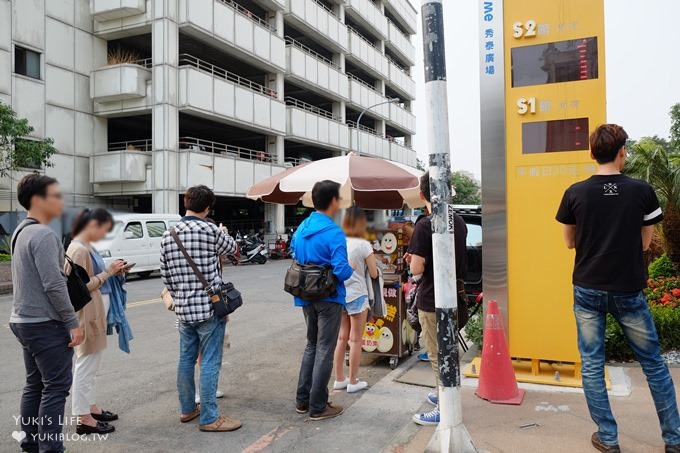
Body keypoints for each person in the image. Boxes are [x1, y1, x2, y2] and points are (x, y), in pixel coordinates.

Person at [556, 124, 680, 453]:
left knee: (593, 363)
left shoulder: (575, 192)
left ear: (591, 153)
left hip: (587, 288)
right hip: (628, 288)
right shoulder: (641, 191)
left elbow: (569, 242)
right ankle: (674, 439)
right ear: (622, 150)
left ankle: (608, 439)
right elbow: (644, 243)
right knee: (653, 362)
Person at [9, 175, 83, 453]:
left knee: (35, 384)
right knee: (55, 388)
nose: (60, 201)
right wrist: (72, 323)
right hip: (44, 323)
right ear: (38, 200)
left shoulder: (21, 231)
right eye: (55, 195)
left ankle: (31, 440)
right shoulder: (43, 234)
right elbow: (53, 284)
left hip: (23, 321)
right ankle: (50, 448)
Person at [160, 185, 240, 432]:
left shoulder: (168, 234)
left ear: (186, 203)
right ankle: (209, 417)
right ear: (208, 207)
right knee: (210, 362)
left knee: (185, 360)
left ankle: (187, 409)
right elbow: (234, 249)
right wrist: (222, 232)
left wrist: (181, 297)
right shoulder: (210, 230)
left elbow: (166, 277)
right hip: (210, 308)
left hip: (184, 310)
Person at [407, 171, 467, 426]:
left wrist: (413, 260)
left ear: (422, 195)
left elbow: (417, 269)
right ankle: (447, 394)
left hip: (433, 300)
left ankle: (445, 407)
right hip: (457, 297)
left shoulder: (425, 225)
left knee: (436, 355)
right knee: (449, 352)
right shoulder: (459, 221)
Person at [292, 180, 354, 421]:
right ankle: (318, 406)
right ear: (334, 201)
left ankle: (302, 400)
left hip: (305, 295)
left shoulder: (302, 227)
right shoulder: (333, 232)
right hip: (329, 297)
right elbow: (341, 271)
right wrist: (350, 268)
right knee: (325, 349)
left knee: (311, 345)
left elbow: (294, 254)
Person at [66, 208, 127, 435]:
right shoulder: (79, 249)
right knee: (86, 365)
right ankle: (83, 418)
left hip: (95, 313)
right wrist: (109, 272)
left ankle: (90, 408)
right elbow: (78, 288)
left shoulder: (87, 247)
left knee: (92, 365)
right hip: (87, 315)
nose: (104, 234)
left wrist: (113, 271)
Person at [332, 207, 378, 394]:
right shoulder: (363, 244)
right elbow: (374, 273)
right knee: (356, 340)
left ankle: (339, 379)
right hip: (358, 295)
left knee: (342, 337)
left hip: (340, 294)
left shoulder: (339, 241)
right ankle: (353, 381)